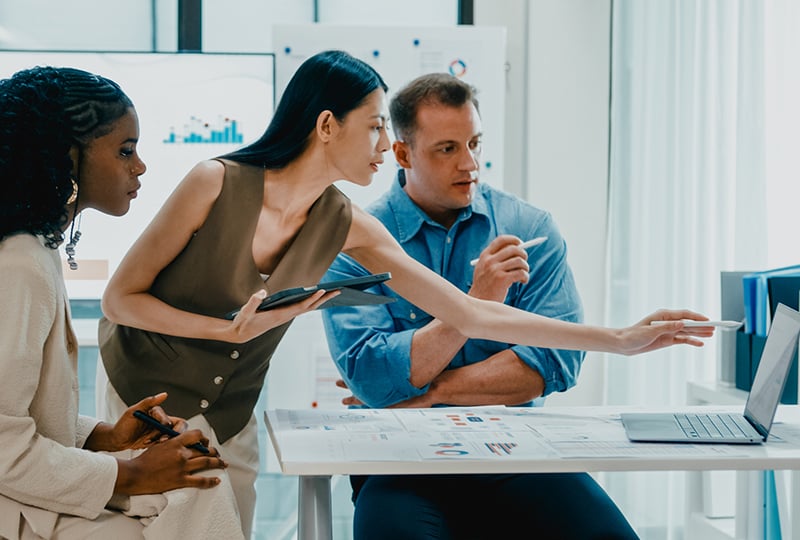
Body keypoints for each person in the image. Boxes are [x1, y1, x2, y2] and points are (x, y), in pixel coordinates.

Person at [96, 50, 713, 537]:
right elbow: (119, 299)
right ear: (326, 125)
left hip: (230, 411)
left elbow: (471, 311)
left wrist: (621, 340)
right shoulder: (214, 182)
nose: (379, 148)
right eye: (371, 129)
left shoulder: (349, 225)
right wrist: (226, 332)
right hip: (142, 392)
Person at [320, 72, 643, 539]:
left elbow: (553, 364)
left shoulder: (528, 228)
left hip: (515, 451)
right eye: (447, 148)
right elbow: (372, 374)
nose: (469, 163)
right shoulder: (357, 242)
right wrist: (475, 305)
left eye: (475, 142)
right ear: (404, 154)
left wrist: (427, 390)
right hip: (399, 461)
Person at [0, 66, 245, 539]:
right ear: (65, 157)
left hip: (25, 491)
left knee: (198, 479)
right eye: (125, 151)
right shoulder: (20, 265)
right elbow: (3, 444)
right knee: (190, 491)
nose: (140, 167)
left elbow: (25, 415)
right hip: (15, 510)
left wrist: (105, 438)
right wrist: (131, 474)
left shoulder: (35, 249)